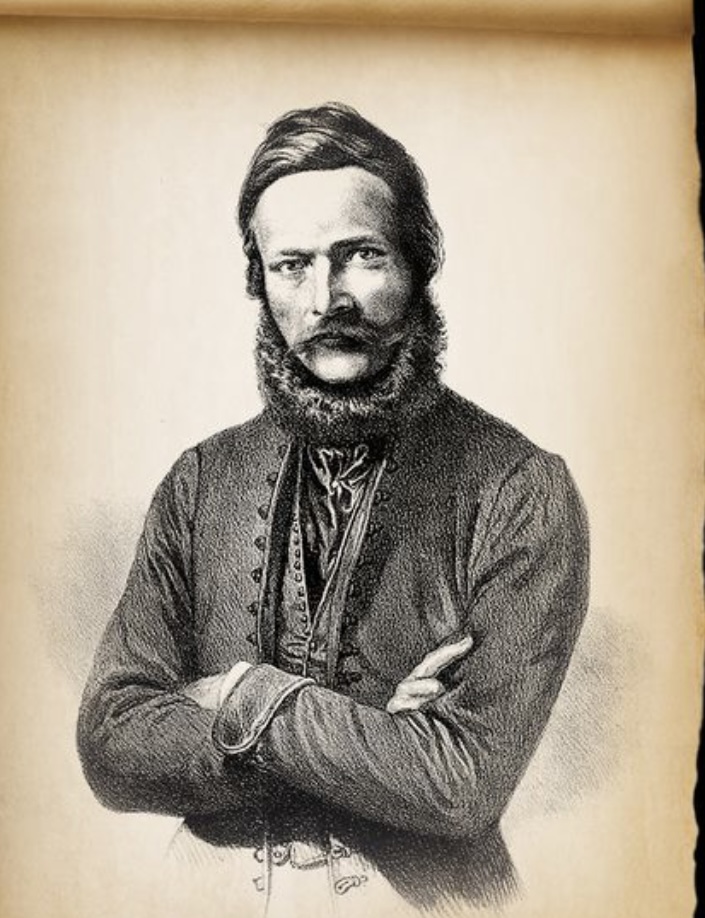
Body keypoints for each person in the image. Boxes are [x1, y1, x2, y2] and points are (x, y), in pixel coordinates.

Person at [77, 102, 589, 914]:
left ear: (418, 263)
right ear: (260, 282)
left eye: (360, 256)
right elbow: (112, 742)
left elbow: (459, 785)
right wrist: (377, 738)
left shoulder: (518, 487)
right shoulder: (200, 480)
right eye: (291, 265)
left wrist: (241, 696)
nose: (326, 299)